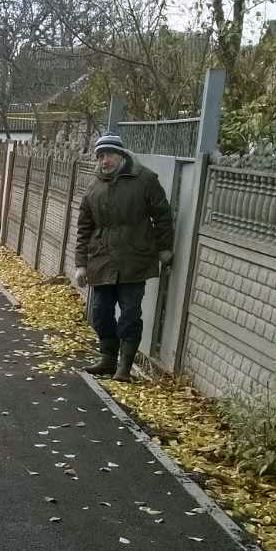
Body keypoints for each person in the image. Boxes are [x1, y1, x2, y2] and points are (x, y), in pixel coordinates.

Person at [74, 131, 174, 381]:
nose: (104, 161)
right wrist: (81, 264)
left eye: (108, 155)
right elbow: (84, 227)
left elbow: (162, 215)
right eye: (100, 156)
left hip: (134, 259)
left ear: (120, 155)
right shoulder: (94, 186)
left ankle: (124, 366)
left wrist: (164, 248)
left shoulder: (145, 179)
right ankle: (108, 359)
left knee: (130, 314)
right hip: (102, 259)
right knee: (100, 312)